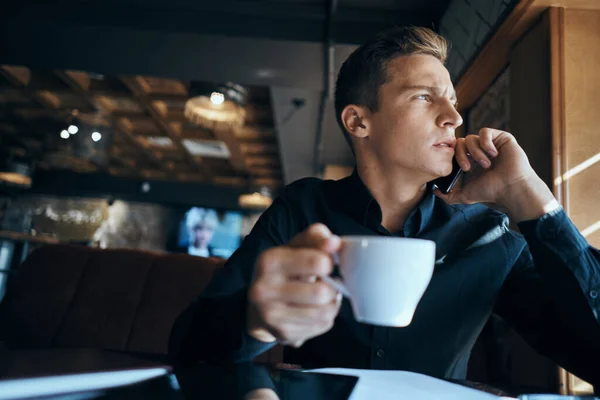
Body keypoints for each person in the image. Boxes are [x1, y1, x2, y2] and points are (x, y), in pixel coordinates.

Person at [169, 27, 600, 384]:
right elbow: (191, 349)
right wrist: (257, 322)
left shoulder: (487, 235)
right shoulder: (304, 209)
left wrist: (532, 197)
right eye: (424, 97)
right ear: (359, 121)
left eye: (451, 98)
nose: (454, 116)